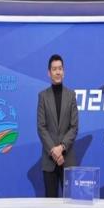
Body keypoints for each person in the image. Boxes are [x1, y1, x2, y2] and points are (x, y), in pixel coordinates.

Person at [37, 54, 79, 197]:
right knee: (50, 204)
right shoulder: (42, 96)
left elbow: (74, 127)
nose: (58, 72)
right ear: (49, 73)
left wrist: (61, 148)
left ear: (64, 72)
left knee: (71, 203)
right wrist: (54, 151)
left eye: (60, 68)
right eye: (54, 69)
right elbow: (41, 127)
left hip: (68, 159)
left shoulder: (71, 95)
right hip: (49, 161)